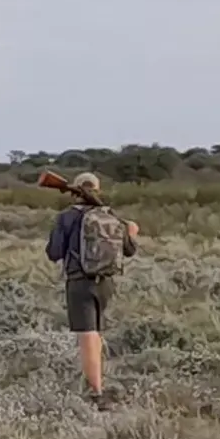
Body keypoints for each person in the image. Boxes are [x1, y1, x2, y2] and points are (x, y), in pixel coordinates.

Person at [45, 172, 138, 406]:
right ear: (98, 189)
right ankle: (98, 380)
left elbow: (54, 252)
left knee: (87, 335)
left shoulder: (67, 217)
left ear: (74, 191)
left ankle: (95, 392)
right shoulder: (110, 215)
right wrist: (132, 233)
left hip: (79, 282)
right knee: (96, 333)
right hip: (106, 282)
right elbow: (129, 250)